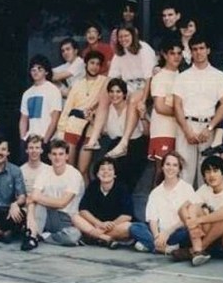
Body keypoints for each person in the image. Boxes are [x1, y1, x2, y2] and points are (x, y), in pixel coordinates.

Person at [173, 33, 223, 187]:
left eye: (202, 48)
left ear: (208, 50)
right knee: (184, 174)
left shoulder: (218, 76)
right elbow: (177, 105)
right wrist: (186, 130)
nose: (198, 52)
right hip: (187, 126)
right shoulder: (182, 76)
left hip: (208, 128)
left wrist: (210, 127)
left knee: (207, 173)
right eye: (195, 49)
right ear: (190, 52)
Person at [174, 156, 223, 266]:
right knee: (193, 208)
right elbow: (182, 209)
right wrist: (189, 223)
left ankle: (197, 250)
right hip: (215, 239)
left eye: (215, 171)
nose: (211, 175)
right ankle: (198, 249)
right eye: (207, 172)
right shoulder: (204, 190)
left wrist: (198, 221)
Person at [102, 25, 156, 159]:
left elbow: (149, 77)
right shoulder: (119, 53)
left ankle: (124, 142)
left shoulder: (144, 49)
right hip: (129, 87)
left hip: (146, 85)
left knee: (132, 100)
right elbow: (110, 78)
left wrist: (143, 100)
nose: (123, 39)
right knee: (109, 95)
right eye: (120, 37)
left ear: (133, 35)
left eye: (126, 35)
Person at [129, 151, 199, 254]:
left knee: (189, 231)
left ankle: (152, 245)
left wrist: (167, 232)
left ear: (179, 169)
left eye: (175, 165)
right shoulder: (156, 192)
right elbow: (152, 219)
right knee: (135, 227)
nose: (171, 168)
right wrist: (157, 235)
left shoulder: (187, 188)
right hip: (159, 232)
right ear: (162, 167)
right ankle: (165, 248)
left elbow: (188, 217)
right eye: (168, 164)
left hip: (177, 232)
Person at [56, 50, 109, 183]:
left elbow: (105, 105)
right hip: (72, 126)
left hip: (90, 127)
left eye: (98, 64)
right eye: (92, 63)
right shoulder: (78, 84)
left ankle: (87, 202)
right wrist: (61, 130)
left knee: (83, 170)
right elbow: (68, 108)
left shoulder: (105, 82)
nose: (94, 66)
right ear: (86, 64)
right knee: (69, 169)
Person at [21, 139, 84, 250]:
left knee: (73, 236)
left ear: (67, 156)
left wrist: (40, 198)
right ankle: (32, 236)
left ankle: (44, 236)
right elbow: (33, 197)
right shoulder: (44, 172)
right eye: (54, 154)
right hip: (47, 215)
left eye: (61, 154)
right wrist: (30, 215)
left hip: (67, 218)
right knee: (38, 205)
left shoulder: (74, 174)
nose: (57, 157)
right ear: (49, 156)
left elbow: (62, 203)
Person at [93, 78, 149, 193]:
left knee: (126, 182)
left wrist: (143, 116)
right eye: (112, 92)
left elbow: (147, 132)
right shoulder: (107, 109)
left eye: (118, 91)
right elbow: (105, 132)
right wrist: (91, 121)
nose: (115, 95)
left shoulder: (132, 107)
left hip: (136, 145)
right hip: (116, 144)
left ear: (124, 94)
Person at [72, 157, 134, 248]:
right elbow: (83, 210)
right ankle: (105, 239)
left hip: (113, 226)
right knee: (75, 217)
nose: (106, 172)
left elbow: (127, 216)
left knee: (128, 227)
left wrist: (105, 227)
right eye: (102, 169)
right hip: (96, 225)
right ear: (97, 174)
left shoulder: (122, 188)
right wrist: (99, 224)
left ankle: (93, 237)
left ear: (115, 174)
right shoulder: (93, 186)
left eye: (110, 169)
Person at [149, 39, 183, 165]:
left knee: (174, 170)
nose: (176, 57)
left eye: (179, 53)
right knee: (161, 169)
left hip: (178, 130)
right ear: (164, 55)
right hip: (163, 129)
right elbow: (160, 107)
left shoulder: (182, 76)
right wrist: (182, 114)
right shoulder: (160, 76)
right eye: (172, 53)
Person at [18, 54, 62, 150]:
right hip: (30, 142)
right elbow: (23, 119)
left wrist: (45, 141)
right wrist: (23, 140)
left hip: (47, 141)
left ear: (46, 72)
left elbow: (55, 119)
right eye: (33, 69)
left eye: (39, 69)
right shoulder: (27, 93)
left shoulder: (53, 90)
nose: (36, 72)